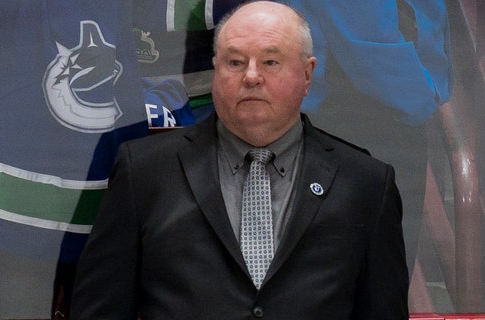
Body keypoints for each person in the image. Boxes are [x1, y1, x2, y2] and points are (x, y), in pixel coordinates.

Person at [71, 1, 409, 319]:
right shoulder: (144, 172)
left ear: (307, 75)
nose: (251, 76)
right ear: (216, 69)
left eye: (270, 61)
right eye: (235, 62)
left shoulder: (366, 185)